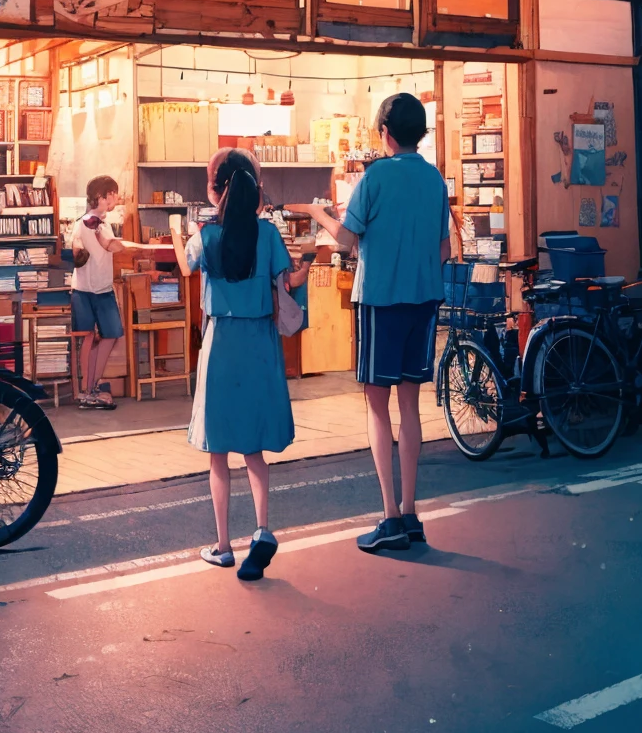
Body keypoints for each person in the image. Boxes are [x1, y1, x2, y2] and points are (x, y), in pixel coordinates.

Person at [293, 92, 450, 554]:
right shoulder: (435, 180)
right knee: (409, 407)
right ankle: (412, 512)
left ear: (384, 132)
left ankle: (390, 517)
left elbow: (345, 240)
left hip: (380, 301)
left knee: (377, 408)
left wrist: (317, 212)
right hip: (424, 302)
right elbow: (443, 250)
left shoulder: (375, 176)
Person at [170, 149, 311, 581]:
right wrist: (307, 262)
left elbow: (184, 265)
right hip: (260, 344)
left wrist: (178, 232)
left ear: (216, 190)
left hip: (222, 342)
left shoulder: (206, 235)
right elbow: (287, 281)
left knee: (218, 453)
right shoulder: (267, 235)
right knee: (254, 451)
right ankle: (263, 528)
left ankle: (223, 546)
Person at [71, 174, 131, 409]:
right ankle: (91, 389)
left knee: (91, 339)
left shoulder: (81, 222)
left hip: (82, 288)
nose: (116, 198)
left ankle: (88, 390)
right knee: (109, 334)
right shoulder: (97, 223)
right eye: (113, 194)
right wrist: (133, 248)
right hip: (99, 290)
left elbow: (76, 251)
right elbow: (111, 245)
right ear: (102, 197)